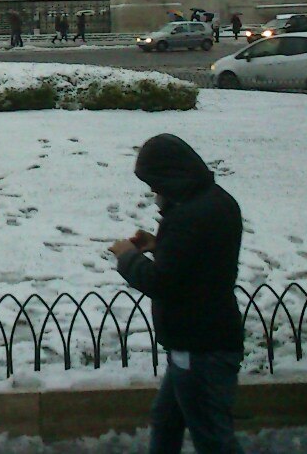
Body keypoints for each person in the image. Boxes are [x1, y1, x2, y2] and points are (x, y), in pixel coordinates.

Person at [110, 134, 245, 454]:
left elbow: (163, 282)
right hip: (203, 339)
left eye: (155, 183)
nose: (154, 192)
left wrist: (127, 257)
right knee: (167, 421)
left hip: (198, 347)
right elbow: (200, 262)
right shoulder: (217, 201)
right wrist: (160, 245)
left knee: (212, 439)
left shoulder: (187, 217)